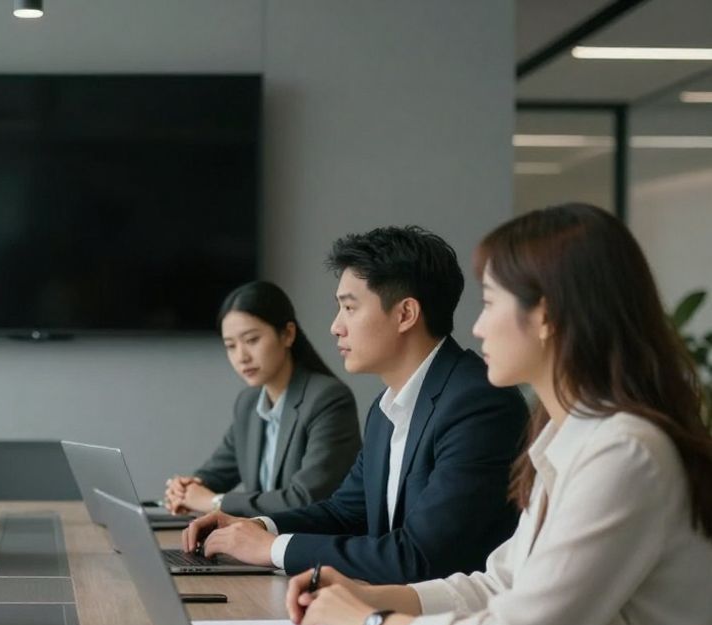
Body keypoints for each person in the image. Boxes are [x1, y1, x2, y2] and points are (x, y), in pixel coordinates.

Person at [288, 204, 712, 625]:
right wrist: (373, 595)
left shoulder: (625, 452)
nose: (478, 326)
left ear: (547, 315)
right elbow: (498, 586)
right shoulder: (571, 436)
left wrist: (370, 624)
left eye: (490, 304)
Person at [182, 226, 529, 583]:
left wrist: (270, 548)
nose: (335, 327)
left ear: (405, 314)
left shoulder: (478, 402)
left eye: (349, 307)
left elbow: (420, 557)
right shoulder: (385, 408)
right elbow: (346, 512)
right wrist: (255, 526)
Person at [164, 281, 361, 517]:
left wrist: (214, 502)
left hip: (309, 548)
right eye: (230, 346)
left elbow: (305, 499)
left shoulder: (327, 399)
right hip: (257, 546)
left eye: (251, 340)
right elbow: (217, 473)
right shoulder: (248, 403)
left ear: (288, 334)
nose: (241, 356)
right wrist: (188, 487)